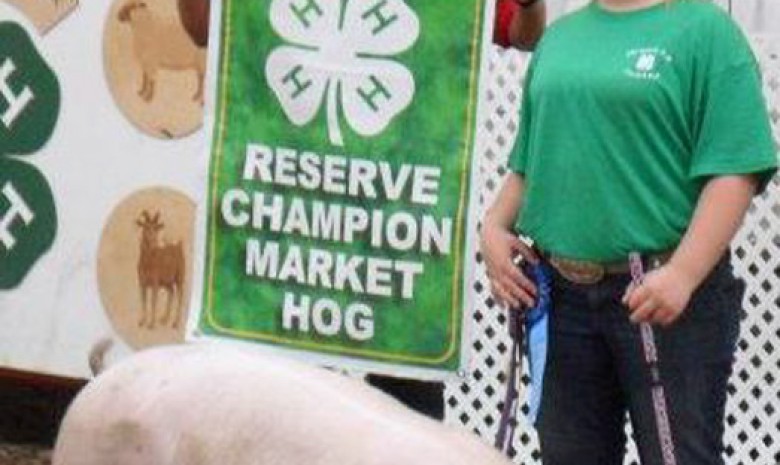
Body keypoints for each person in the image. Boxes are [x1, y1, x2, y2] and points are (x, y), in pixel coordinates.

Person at [481, 0, 778, 464]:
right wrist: (494, 226)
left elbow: (735, 169)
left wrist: (682, 274)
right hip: (561, 299)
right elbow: (528, 161)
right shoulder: (559, 39)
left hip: (664, 297)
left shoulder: (708, 34)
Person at [367, 0, 548, 420]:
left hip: (404, 212)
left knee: (407, 410)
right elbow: (205, 29)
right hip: (304, 210)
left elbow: (525, 33)